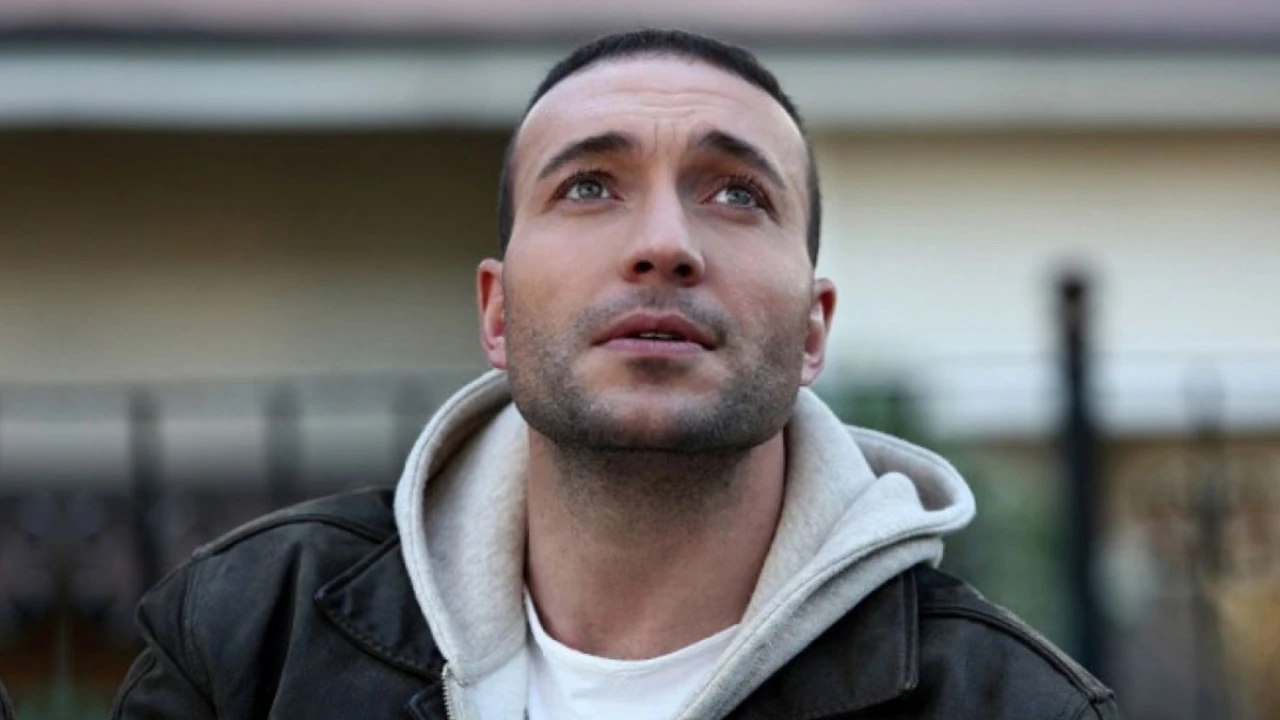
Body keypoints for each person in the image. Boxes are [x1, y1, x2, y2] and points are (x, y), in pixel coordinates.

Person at [112, 29, 1118, 720]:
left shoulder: (1011, 705)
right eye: (590, 185)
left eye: (737, 194)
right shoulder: (249, 637)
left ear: (813, 330)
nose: (664, 244)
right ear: (496, 312)